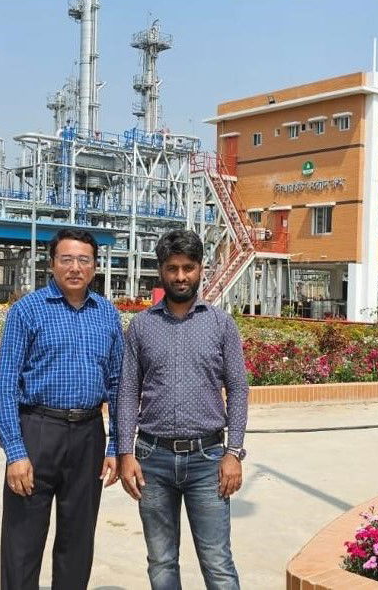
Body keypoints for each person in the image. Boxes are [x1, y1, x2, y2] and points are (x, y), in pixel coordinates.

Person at [117, 229, 249, 590]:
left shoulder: (221, 324)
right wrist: (126, 453)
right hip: (152, 460)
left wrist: (234, 452)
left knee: (217, 562)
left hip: (208, 460)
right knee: (161, 561)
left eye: (188, 268)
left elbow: (238, 389)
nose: (180, 276)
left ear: (200, 269)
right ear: (161, 270)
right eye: (172, 268)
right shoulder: (142, 326)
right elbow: (127, 392)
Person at [0, 228, 124, 590]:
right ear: (51, 264)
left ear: (95, 266)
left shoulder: (107, 314)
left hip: (88, 435)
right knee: (22, 541)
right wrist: (15, 452)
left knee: (78, 540)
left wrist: (115, 445)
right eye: (66, 259)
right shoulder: (27, 311)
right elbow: (6, 385)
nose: (75, 268)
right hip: (38, 431)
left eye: (84, 260)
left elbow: (118, 384)